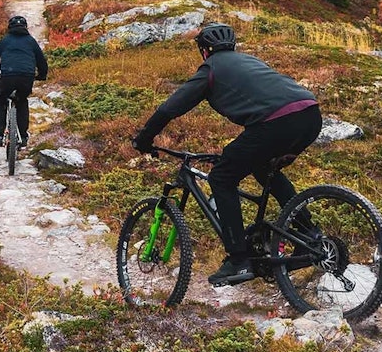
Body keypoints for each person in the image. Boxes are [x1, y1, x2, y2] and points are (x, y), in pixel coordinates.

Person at [131, 23, 321, 286]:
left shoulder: (211, 69)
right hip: (311, 115)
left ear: (205, 51)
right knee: (264, 170)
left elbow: (169, 108)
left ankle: (238, 259)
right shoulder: (249, 61)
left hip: (276, 122)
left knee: (221, 178)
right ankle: (310, 235)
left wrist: (144, 139)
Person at [0, 14, 48, 148]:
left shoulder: (6, 40)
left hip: (8, 76)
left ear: (9, 27)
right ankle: (23, 136)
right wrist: (42, 76)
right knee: (22, 101)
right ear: (25, 27)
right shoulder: (30, 41)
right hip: (26, 77)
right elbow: (42, 61)